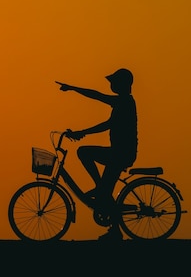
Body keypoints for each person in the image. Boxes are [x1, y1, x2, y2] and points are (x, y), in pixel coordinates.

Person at [55, 68, 138, 241]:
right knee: (87, 158)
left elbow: (107, 123)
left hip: (121, 154)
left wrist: (82, 132)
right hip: (118, 152)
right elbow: (96, 95)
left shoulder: (124, 102)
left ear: (122, 84)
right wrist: (73, 88)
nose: (111, 85)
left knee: (84, 152)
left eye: (114, 82)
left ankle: (103, 196)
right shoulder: (121, 101)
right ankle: (102, 191)